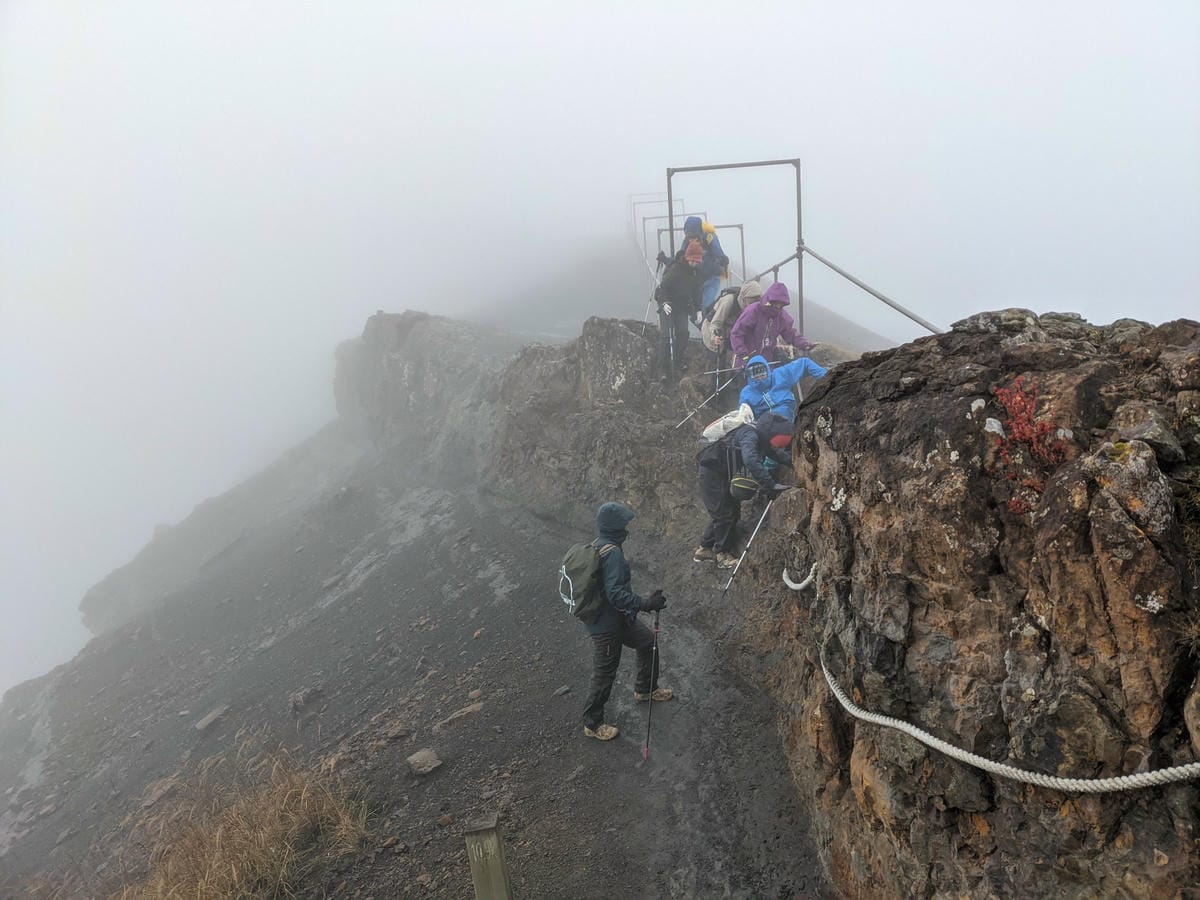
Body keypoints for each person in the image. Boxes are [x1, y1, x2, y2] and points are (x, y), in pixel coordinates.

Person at [581, 502, 673, 741]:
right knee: (604, 673)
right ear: (615, 528)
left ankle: (645, 689)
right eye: (624, 524)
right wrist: (647, 603)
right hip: (605, 626)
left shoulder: (598, 545)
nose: (627, 529)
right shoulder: (611, 553)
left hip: (618, 618)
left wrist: (642, 604)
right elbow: (615, 594)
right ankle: (592, 723)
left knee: (646, 641)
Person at [694, 413, 793, 568]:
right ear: (771, 435)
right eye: (778, 441)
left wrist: (791, 461)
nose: (777, 445)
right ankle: (722, 555)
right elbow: (750, 460)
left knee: (728, 510)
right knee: (724, 513)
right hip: (712, 472)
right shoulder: (750, 435)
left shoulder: (760, 436)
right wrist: (770, 484)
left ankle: (704, 549)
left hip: (720, 471)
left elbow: (774, 453)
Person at [729, 282, 813, 369]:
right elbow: (736, 333)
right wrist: (744, 355)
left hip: (767, 364)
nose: (778, 306)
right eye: (776, 302)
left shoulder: (781, 316)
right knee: (746, 382)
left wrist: (805, 344)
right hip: (746, 362)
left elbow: (790, 333)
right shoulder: (753, 311)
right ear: (769, 299)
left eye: (782, 304)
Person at [653, 240, 703, 378]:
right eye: (693, 260)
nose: (695, 263)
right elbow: (663, 287)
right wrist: (663, 303)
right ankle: (662, 368)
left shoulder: (696, 274)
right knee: (666, 335)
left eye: (697, 261)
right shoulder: (675, 269)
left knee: (683, 332)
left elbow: (697, 293)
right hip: (668, 304)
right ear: (687, 258)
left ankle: (677, 360)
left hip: (682, 306)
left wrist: (698, 310)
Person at [739, 353, 827, 421]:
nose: (760, 378)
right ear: (749, 376)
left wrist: (826, 377)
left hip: (787, 422)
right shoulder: (746, 393)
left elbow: (804, 363)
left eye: (762, 373)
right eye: (755, 376)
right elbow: (744, 416)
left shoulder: (780, 376)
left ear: (767, 370)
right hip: (764, 429)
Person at [681, 216, 729, 314]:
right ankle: (705, 326)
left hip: (712, 278)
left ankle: (710, 326)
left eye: (694, 236)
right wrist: (667, 260)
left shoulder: (710, 238)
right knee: (693, 309)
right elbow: (680, 258)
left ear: (699, 233)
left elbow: (719, 254)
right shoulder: (686, 242)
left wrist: (723, 259)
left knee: (706, 306)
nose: (691, 240)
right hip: (696, 279)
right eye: (689, 237)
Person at [701, 279, 763, 355]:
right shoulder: (728, 301)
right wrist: (714, 336)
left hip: (728, 332)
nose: (751, 306)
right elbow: (716, 322)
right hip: (711, 330)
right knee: (717, 361)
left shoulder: (755, 307)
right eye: (750, 302)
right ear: (744, 298)